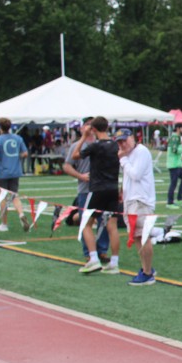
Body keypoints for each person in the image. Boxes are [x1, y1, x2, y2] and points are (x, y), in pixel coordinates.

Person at [72, 117, 121, 274]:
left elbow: (75, 155)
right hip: (113, 188)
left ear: (93, 129)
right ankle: (114, 263)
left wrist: (83, 137)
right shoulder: (115, 145)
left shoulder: (95, 146)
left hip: (97, 189)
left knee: (86, 223)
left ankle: (93, 259)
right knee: (112, 226)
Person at [62, 120, 110, 262]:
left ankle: (102, 251)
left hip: (102, 189)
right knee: (86, 222)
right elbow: (67, 166)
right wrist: (80, 176)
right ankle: (89, 253)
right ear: (82, 128)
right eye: (87, 125)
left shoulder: (103, 143)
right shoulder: (76, 146)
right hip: (85, 189)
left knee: (104, 221)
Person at [116, 129, 157, 285]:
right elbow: (129, 176)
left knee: (143, 236)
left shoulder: (140, 151)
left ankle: (147, 272)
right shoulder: (130, 154)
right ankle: (146, 268)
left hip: (140, 200)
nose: (122, 144)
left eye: (124, 140)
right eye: (119, 142)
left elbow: (136, 174)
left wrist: (123, 159)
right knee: (138, 236)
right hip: (132, 200)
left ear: (132, 138)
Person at [0, 117, 31, 233]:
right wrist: (16, 157)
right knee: (14, 196)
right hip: (15, 171)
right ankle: (21, 214)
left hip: (2, 172)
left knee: (3, 197)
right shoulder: (18, 138)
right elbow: (25, 153)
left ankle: (4, 224)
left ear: (0, 127)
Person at [166, 124, 182, 208]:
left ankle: (179, 199)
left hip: (177, 164)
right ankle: (170, 203)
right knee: (173, 183)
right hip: (173, 164)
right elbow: (174, 150)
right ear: (178, 128)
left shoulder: (176, 137)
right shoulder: (175, 137)